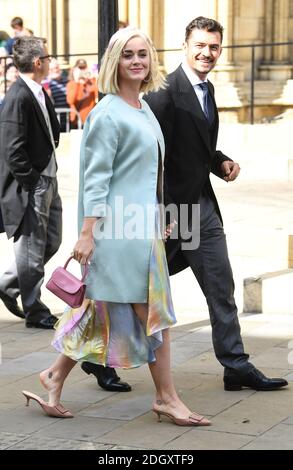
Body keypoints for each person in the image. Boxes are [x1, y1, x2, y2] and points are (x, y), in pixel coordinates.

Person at [21, 27, 211, 426]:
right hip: (117, 232)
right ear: (114, 62)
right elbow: (96, 179)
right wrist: (87, 234)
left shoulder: (142, 109)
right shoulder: (107, 113)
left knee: (102, 309)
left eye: (143, 53)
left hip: (141, 228)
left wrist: (160, 214)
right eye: (128, 55)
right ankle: (167, 398)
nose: (137, 61)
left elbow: (146, 173)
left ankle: (53, 376)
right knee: (153, 313)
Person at [89, 16, 289, 393]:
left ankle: (236, 365)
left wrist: (219, 162)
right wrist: (154, 212)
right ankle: (95, 357)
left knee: (220, 284)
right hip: (166, 213)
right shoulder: (163, 94)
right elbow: (149, 154)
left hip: (201, 209)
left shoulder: (207, 90)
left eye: (214, 47)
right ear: (184, 45)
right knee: (130, 288)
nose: (207, 53)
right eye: (200, 45)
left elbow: (198, 146)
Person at [0, 36, 62, 329]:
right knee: (32, 250)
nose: (50, 62)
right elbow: (11, 148)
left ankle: (8, 284)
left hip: (49, 177)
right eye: (48, 58)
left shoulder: (36, 90)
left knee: (52, 240)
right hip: (33, 185)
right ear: (38, 62)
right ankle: (35, 310)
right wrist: (34, 182)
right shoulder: (18, 96)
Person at [66, 59, 98, 127]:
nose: (82, 70)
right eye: (80, 68)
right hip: (77, 121)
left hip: (91, 120)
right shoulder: (71, 84)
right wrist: (77, 81)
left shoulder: (92, 82)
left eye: (84, 68)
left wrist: (93, 77)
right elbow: (70, 101)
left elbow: (97, 96)